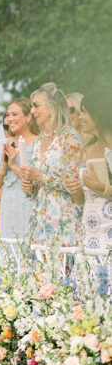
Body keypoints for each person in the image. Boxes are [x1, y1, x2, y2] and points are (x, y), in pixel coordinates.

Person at [20, 83, 83, 245]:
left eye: (36, 106)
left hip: (63, 217)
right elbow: (36, 187)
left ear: (52, 107)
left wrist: (40, 177)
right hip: (39, 218)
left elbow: (74, 183)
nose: (32, 111)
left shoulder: (70, 136)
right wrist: (29, 186)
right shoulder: (38, 140)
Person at [0, 99, 38, 239]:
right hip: (8, 206)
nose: (9, 119)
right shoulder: (1, 145)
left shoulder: (39, 143)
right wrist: (5, 166)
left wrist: (13, 165)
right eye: (8, 115)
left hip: (30, 204)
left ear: (29, 116)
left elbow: (36, 180)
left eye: (14, 114)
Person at [78, 90, 112, 252]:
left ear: (98, 114)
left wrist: (101, 188)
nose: (80, 118)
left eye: (84, 112)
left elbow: (97, 188)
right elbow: (80, 199)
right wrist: (73, 189)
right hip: (89, 231)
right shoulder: (86, 149)